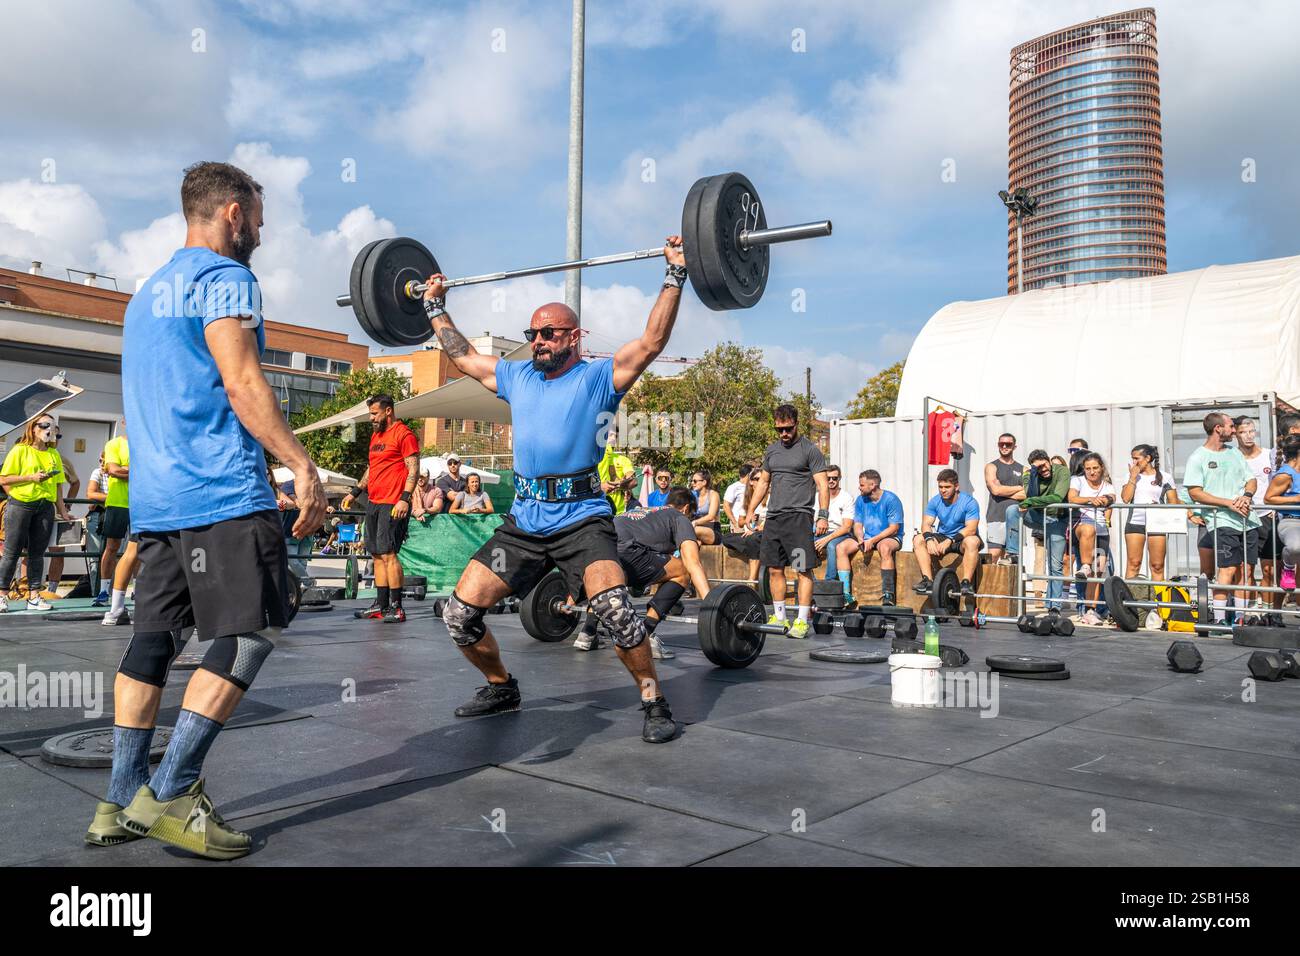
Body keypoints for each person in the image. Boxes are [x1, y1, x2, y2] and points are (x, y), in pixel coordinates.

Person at [86, 160, 326, 859]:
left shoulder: (146, 295)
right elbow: (243, 379)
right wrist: (300, 464)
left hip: (159, 505)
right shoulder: (226, 279)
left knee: (153, 643)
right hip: (222, 493)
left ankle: (119, 800)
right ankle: (170, 793)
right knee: (247, 636)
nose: (261, 227)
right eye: (256, 213)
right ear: (231, 214)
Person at [417, 232, 688, 743]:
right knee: (459, 615)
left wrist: (675, 274)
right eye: (534, 333)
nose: (538, 341)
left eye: (549, 334)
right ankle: (501, 686)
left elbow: (651, 342)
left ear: (573, 336)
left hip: (582, 519)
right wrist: (435, 307)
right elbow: (464, 358)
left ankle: (654, 700)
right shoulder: (518, 377)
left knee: (614, 611)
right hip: (524, 521)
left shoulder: (599, 378)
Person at [575, 487, 710, 660]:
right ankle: (644, 634)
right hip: (628, 550)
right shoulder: (680, 518)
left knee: (605, 581)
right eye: (691, 514)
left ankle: (587, 632)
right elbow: (693, 563)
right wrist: (712, 606)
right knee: (682, 571)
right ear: (686, 508)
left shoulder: (642, 510)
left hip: (600, 543)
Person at [745, 404, 830, 638]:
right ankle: (779, 616)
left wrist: (823, 515)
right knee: (774, 569)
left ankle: (802, 620)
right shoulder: (771, 451)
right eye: (779, 429)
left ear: (796, 424)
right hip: (774, 519)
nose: (783, 434)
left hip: (799, 519)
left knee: (802, 569)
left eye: (788, 429)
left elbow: (823, 485)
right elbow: (763, 483)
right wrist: (752, 510)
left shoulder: (810, 450)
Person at [340, 395, 420, 623]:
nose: (371, 418)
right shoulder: (376, 436)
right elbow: (371, 468)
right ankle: (381, 604)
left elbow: (413, 469)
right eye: (370, 414)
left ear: (388, 411)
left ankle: (396, 607)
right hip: (374, 501)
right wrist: (355, 492)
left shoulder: (404, 434)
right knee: (375, 553)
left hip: (394, 502)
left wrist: (405, 499)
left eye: (374, 413)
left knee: (388, 553)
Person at [1186, 412, 1260, 625]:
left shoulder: (1234, 453)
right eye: (1230, 426)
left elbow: (1251, 480)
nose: (1234, 430)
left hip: (1248, 519)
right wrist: (1228, 503)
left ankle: (1240, 618)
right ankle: (1219, 620)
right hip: (1221, 521)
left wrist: (1246, 496)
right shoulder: (1198, 457)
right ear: (1218, 428)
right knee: (1227, 569)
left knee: (1246, 570)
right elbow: (1195, 492)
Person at [0, 413, 71, 612]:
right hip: (21, 504)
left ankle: (33, 596)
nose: (50, 430)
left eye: (54, 427)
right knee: (11, 552)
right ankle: (2, 595)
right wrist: (31, 477)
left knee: (37, 554)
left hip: (44, 507)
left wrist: (63, 511)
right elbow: (4, 479)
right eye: (45, 425)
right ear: (33, 428)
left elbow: (58, 487)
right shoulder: (20, 450)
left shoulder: (53, 454)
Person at [1003, 450, 1070, 610]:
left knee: (1055, 565)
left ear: (1049, 461)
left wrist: (1031, 501)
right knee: (1012, 510)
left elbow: (1057, 498)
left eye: (1044, 465)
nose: (1043, 469)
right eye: (1037, 468)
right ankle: (1013, 553)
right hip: (1038, 517)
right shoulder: (1029, 475)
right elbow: (1030, 494)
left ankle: (1054, 606)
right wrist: (1033, 475)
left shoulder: (1062, 471)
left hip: (1057, 520)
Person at [835, 469, 903, 606]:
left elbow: (894, 528)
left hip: (890, 537)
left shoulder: (891, 499)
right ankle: (846, 594)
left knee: (884, 547)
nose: (859, 487)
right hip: (868, 537)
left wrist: (873, 540)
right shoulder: (861, 500)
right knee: (841, 547)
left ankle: (888, 594)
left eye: (861, 485)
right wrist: (860, 538)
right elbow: (858, 524)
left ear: (872, 485)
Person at [28, 424, 79, 600]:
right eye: (51, 435)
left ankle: (52, 589)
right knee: (30, 552)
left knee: (58, 553)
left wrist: (66, 506)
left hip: (55, 512)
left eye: (58, 436)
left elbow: (75, 482)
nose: (54, 439)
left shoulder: (62, 459)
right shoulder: (29, 452)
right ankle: (25, 587)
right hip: (31, 510)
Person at [912, 469, 981, 598]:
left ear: (956, 487)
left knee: (973, 541)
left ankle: (966, 583)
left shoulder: (969, 502)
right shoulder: (935, 501)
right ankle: (928, 581)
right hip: (943, 536)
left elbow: (971, 529)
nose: (943, 490)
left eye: (947, 487)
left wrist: (950, 540)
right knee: (918, 539)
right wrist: (929, 539)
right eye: (940, 487)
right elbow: (926, 524)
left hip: (962, 539)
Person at [1067, 452, 1116, 625]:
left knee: (1099, 571)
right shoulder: (1077, 480)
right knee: (1088, 529)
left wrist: (1106, 499)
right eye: (1088, 469)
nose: (1092, 472)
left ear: (1101, 468)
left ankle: (1091, 610)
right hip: (1082, 525)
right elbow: (1072, 497)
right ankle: (1085, 565)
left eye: (1095, 468)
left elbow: (1113, 498)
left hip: (1102, 528)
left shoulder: (1107, 485)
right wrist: (1090, 500)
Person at [1235, 417, 1279, 611]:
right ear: (1235, 434)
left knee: (1270, 570)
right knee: (1246, 570)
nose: (1249, 435)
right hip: (1244, 517)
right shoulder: (1232, 457)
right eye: (1244, 432)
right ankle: (1250, 612)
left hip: (1268, 516)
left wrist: (1276, 508)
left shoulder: (1269, 455)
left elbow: (1282, 482)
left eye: (1252, 431)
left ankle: (1268, 613)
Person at [1120, 444, 1179, 583]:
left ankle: (1159, 602)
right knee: (1134, 563)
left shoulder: (1165, 477)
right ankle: (1130, 602)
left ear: (1148, 458)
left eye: (1137, 458)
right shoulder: (1130, 476)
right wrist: (1133, 477)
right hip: (1135, 522)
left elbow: (1173, 502)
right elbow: (1126, 498)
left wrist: (1160, 507)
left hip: (1157, 523)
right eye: (1132, 459)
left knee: (1157, 565)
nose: (1134, 462)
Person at [94, 424, 131, 606]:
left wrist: (124, 469)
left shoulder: (147, 442)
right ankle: (103, 591)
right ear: (124, 422)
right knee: (112, 547)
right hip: (117, 502)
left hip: (142, 503)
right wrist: (133, 470)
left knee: (139, 548)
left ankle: (137, 591)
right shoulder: (113, 444)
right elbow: (113, 470)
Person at [1264, 435, 1300, 593]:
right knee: (1295, 547)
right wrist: (1296, 498)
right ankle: (1289, 567)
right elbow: (1268, 498)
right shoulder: (1285, 475)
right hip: (1291, 522)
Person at [984, 433, 1024, 561]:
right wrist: (1019, 488)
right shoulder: (991, 466)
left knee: (1012, 558)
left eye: (1008, 444)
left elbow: (1027, 494)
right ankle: (989, 582)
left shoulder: (1024, 469)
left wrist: (1003, 489)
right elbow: (995, 490)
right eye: (1002, 444)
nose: (1005, 446)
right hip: (996, 516)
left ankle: (1011, 582)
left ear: (1014, 447)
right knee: (994, 555)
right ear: (998, 445)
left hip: (1016, 518)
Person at [815, 464, 856, 584]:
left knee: (832, 546)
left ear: (840, 479)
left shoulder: (846, 497)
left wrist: (826, 539)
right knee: (800, 545)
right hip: (820, 532)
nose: (831, 481)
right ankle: (804, 578)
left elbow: (847, 527)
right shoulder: (817, 496)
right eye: (828, 478)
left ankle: (830, 582)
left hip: (839, 533)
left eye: (835, 478)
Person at [596, 424, 637, 515]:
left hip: (616, 509)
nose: (613, 438)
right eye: (610, 435)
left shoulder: (611, 453)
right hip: (596, 503)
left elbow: (614, 475)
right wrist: (599, 487)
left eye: (615, 436)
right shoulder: (592, 450)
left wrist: (621, 484)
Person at [689, 468, 722, 544]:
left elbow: (711, 516)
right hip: (696, 528)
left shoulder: (713, 495)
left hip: (712, 530)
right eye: (691, 481)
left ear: (704, 482)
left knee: (692, 530)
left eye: (695, 481)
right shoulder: (693, 495)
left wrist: (695, 522)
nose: (692, 483)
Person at [721, 464, 751, 529]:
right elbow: (726, 506)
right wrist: (735, 523)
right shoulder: (734, 487)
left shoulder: (753, 487)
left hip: (751, 524)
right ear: (749, 475)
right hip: (739, 525)